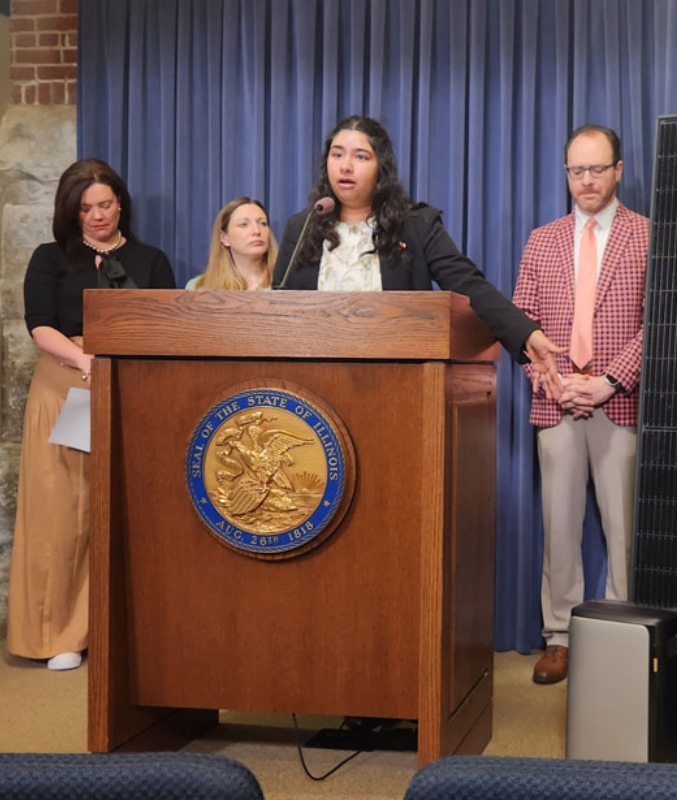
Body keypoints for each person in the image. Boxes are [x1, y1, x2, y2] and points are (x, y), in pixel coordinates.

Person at [8, 158, 176, 671]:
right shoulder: (50, 258)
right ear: (71, 212)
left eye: (104, 205)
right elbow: (40, 327)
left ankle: (125, 635)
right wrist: (88, 361)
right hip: (71, 387)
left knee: (131, 508)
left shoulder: (151, 260)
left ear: (119, 203)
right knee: (67, 513)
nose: (97, 216)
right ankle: (59, 633)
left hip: (136, 386)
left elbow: (168, 323)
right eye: (85, 209)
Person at [512, 125, 649, 684]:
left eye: (596, 169)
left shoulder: (648, 235)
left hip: (622, 402)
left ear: (619, 170)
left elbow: (660, 322)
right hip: (557, 403)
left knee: (624, 530)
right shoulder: (542, 240)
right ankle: (559, 637)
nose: (586, 181)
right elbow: (520, 322)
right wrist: (553, 378)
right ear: (565, 173)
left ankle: (619, 633)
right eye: (576, 170)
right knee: (559, 528)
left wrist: (610, 380)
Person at [273, 114, 562, 376]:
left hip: (397, 380)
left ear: (381, 169)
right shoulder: (302, 228)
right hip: (312, 381)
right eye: (337, 155)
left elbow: (469, 286)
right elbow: (279, 308)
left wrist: (527, 334)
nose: (346, 166)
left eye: (361, 157)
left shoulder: (414, 225)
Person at [187, 197, 278, 290]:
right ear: (224, 238)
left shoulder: (287, 283)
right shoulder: (198, 287)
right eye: (244, 224)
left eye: (262, 223)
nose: (257, 231)